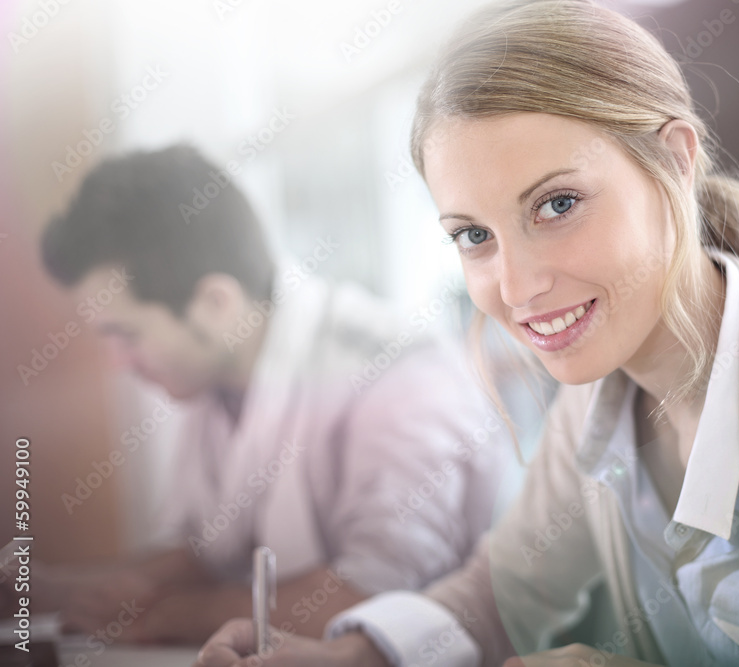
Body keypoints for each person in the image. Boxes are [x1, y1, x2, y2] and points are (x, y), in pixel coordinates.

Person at [196, 1, 739, 665]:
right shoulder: (602, 398)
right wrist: (349, 656)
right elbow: (498, 594)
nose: (514, 289)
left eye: (556, 204)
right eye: (474, 235)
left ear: (676, 161)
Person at [22, 145, 506, 645]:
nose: (117, 363)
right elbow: (206, 553)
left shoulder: (401, 374)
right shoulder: (216, 381)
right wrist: (50, 590)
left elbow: (371, 598)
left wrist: (161, 617)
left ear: (215, 303)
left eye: (126, 334)